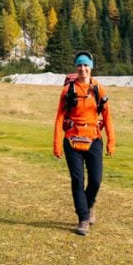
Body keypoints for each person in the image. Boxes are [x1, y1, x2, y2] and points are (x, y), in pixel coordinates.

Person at [53, 51, 115, 235]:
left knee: (95, 180)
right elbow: (59, 118)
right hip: (72, 140)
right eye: (79, 65)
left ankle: (89, 205)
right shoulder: (68, 91)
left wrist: (111, 141)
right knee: (77, 181)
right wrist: (56, 143)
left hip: (94, 139)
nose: (83, 68)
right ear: (76, 68)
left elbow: (107, 116)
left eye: (86, 65)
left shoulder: (98, 89)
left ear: (91, 67)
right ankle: (83, 219)